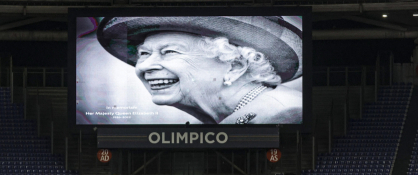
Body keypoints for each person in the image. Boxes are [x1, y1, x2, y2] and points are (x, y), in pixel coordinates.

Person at [97, 16, 303, 125]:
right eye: (143, 54)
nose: (145, 66)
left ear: (235, 66)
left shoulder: (286, 113)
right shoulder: (217, 122)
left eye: (169, 51)